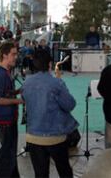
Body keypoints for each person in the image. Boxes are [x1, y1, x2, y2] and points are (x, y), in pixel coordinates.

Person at [21, 49, 77, 178]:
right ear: (50, 64)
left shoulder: (26, 83)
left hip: (33, 136)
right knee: (64, 171)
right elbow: (70, 105)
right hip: (55, 136)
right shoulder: (56, 83)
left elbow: (25, 101)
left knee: (40, 174)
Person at [0, 41, 23, 178]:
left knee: (11, 151)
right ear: (4, 55)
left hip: (10, 117)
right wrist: (19, 100)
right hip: (4, 119)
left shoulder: (6, 72)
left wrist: (18, 91)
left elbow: (5, 93)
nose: (16, 57)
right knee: (7, 153)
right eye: (13, 54)